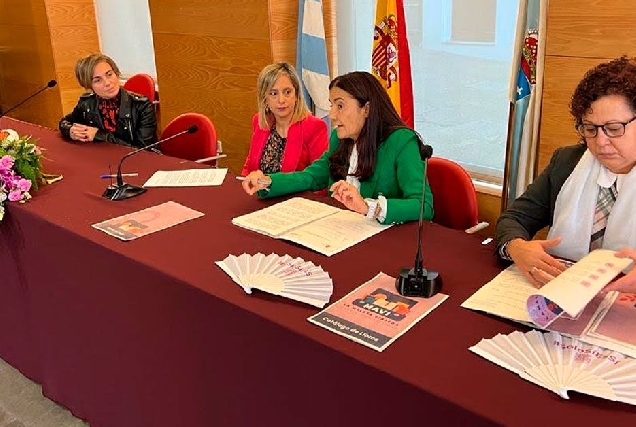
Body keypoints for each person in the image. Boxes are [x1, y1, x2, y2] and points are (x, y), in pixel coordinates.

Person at [496, 56, 636, 291]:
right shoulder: (567, 162)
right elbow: (515, 218)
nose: (601, 141)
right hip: (562, 289)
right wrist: (516, 246)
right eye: (590, 128)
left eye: (613, 129)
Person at [241, 71, 433, 225]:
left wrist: (369, 207)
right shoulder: (339, 138)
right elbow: (311, 177)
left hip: (386, 239)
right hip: (341, 230)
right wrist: (268, 182)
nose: (332, 115)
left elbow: (424, 206)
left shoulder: (402, 142)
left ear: (366, 109)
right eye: (331, 105)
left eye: (340, 106)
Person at [241, 62, 328, 175]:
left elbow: (320, 176)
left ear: (296, 95)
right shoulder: (260, 121)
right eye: (273, 93)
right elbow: (249, 167)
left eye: (287, 92)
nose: (281, 100)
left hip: (296, 188)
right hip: (257, 187)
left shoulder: (314, 127)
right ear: (265, 98)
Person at [59, 53, 157, 149]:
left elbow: (143, 150)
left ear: (116, 73)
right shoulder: (87, 103)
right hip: (100, 156)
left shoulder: (142, 106)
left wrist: (98, 135)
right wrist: (70, 130)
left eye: (109, 74)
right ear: (89, 86)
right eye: (98, 80)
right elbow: (65, 122)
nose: (107, 83)